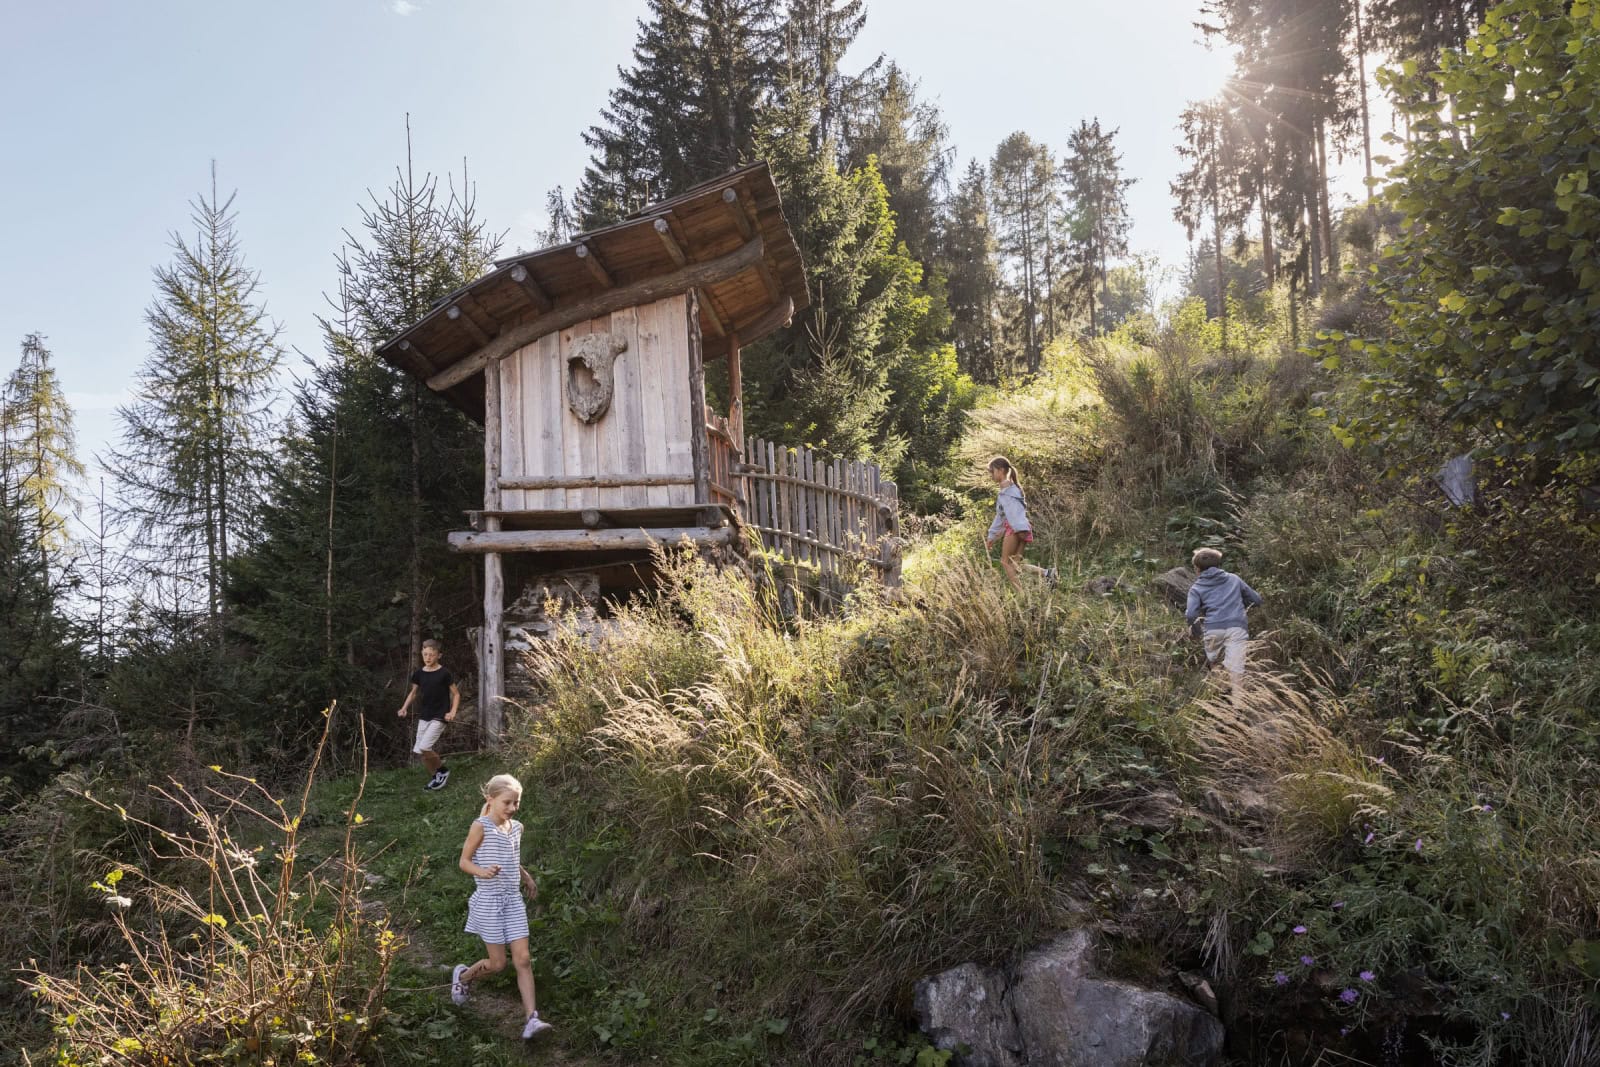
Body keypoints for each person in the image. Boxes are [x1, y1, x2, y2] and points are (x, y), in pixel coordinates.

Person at [450, 774, 551, 1040]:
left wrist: (526, 877)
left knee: (524, 959)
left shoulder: (516, 827)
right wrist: (481, 872)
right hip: (489, 902)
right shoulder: (480, 826)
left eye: (516, 803)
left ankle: (532, 1019)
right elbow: (464, 861)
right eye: (507, 802)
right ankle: (463, 977)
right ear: (490, 800)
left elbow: (511, 858)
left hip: (513, 900)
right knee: (497, 964)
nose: (512, 808)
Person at [1184, 547, 1263, 695]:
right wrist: (1238, 605)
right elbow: (1257, 600)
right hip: (1237, 627)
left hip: (1213, 629)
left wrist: (1196, 632)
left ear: (1197, 569)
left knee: (1215, 662)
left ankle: (1222, 696)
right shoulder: (1234, 578)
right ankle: (1237, 707)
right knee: (1236, 669)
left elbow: (1190, 614)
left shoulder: (1196, 588)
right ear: (1218, 565)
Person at [983, 456, 1057, 592]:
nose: (991, 475)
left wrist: (991, 537)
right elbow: (1007, 515)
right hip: (1023, 528)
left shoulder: (1006, 493)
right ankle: (1047, 573)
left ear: (1000, 470)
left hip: (1015, 529)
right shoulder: (1014, 489)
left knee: (1005, 562)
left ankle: (1022, 595)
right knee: (1016, 565)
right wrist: (993, 536)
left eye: (992, 471)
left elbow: (1001, 518)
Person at [396, 638, 459, 791]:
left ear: (439, 655)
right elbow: (413, 693)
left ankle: (442, 771)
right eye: (425, 654)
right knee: (421, 751)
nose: (428, 658)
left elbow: (456, 694)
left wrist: (452, 712)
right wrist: (404, 708)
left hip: (440, 715)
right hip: (425, 715)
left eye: (431, 654)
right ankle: (436, 777)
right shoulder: (419, 674)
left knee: (425, 746)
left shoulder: (444, 673)